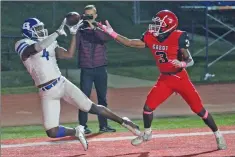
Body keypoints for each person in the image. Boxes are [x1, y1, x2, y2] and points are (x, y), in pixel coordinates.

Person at [98, 10, 227, 150]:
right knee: (148, 107)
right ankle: (147, 133)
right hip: (165, 79)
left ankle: (218, 135)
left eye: (158, 24)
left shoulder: (179, 37)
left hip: (180, 78)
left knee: (199, 110)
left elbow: (190, 60)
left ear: (169, 26)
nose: (154, 26)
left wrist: (183, 64)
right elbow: (130, 43)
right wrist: (112, 33)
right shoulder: (151, 36)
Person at [14, 17, 141, 151]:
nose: (41, 31)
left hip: (61, 82)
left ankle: (124, 122)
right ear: (28, 31)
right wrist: (56, 33)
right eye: (37, 29)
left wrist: (74, 35)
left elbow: (68, 55)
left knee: (91, 107)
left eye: (41, 28)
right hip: (46, 91)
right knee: (52, 131)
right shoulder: (22, 43)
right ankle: (76, 131)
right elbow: (32, 50)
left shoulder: (50, 41)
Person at [76, 5, 116, 134]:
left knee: (102, 98)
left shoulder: (100, 28)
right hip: (86, 69)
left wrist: (94, 27)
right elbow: (75, 45)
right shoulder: (80, 30)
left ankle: (103, 125)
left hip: (100, 68)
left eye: (91, 15)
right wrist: (79, 28)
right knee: (84, 98)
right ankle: (83, 126)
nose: (89, 17)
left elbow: (106, 38)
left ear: (95, 15)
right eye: (86, 15)